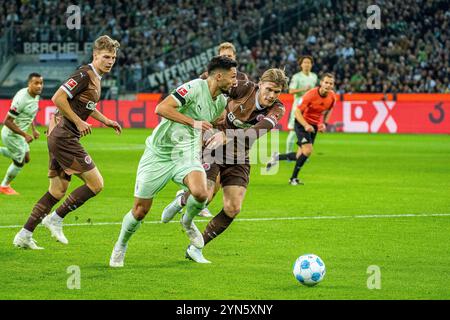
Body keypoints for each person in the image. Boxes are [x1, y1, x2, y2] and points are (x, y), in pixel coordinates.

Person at [109, 56, 238, 267]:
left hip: (185, 154)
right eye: (233, 77)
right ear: (218, 75)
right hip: (159, 153)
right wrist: (193, 122)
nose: (235, 81)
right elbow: (161, 108)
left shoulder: (221, 101)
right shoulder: (194, 87)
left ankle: (187, 222)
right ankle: (121, 245)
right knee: (140, 210)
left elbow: (217, 123)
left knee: (201, 193)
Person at [161, 68, 288, 263]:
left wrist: (226, 135)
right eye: (269, 89)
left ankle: (196, 247)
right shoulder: (243, 88)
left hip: (240, 156)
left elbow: (254, 133)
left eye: (276, 92)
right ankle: (181, 201)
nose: (271, 95)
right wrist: (209, 114)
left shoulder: (277, 109)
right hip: (213, 147)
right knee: (206, 194)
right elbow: (209, 82)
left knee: (233, 207)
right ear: (260, 84)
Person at [13, 35, 122, 249]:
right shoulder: (84, 74)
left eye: (114, 57)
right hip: (65, 137)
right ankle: (55, 219)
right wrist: (79, 121)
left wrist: (106, 120)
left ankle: (24, 235)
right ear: (95, 55)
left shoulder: (96, 78)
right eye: (106, 57)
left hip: (60, 135)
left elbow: (87, 105)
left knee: (56, 191)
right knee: (96, 184)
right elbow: (57, 98)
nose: (110, 61)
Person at [266, 73, 336, 185]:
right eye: (326, 82)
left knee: (300, 155)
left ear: (333, 85)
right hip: (301, 122)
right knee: (308, 151)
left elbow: (330, 110)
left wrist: (325, 124)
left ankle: (277, 157)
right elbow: (297, 112)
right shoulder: (311, 94)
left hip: (313, 126)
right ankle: (293, 179)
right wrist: (305, 125)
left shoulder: (332, 96)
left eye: (330, 83)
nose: (328, 85)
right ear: (321, 83)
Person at [0, 73, 43, 195]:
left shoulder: (35, 96)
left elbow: (30, 115)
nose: (39, 86)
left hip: (20, 134)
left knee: (26, 158)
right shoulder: (21, 100)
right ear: (29, 84)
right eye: (36, 83)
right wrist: (25, 135)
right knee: (19, 162)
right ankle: (4, 186)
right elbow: (7, 121)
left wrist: (33, 129)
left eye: (41, 83)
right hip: (11, 135)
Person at [285, 56, 318, 154]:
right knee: (293, 131)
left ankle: (302, 153)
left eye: (309, 63)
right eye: (305, 62)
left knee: (307, 131)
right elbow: (290, 91)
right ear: (301, 64)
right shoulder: (296, 77)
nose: (307, 64)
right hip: (298, 107)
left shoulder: (314, 76)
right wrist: (304, 89)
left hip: (309, 108)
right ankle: (288, 153)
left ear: (311, 65)